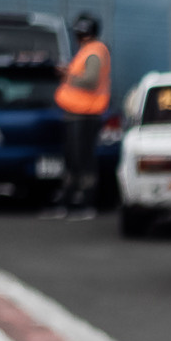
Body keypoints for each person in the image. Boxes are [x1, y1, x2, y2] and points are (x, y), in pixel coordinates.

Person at [48, 12, 110, 220]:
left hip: (86, 115)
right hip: (76, 114)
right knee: (73, 159)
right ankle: (69, 200)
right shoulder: (87, 51)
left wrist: (68, 75)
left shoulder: (94, 52)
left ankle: (84, 203)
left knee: (82, 160)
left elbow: (91, 81)